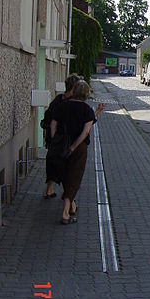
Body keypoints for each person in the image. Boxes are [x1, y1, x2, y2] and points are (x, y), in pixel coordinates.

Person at [50, 80, 102, 225]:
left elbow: (53, 124)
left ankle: (71, 206)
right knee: (75, 176)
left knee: (65, 174)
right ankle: (65, 213)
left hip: (61, 145)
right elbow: (86, 132)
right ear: (85, 93)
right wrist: (73, 146)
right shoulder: (86, 110)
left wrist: (56, 141)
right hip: (79, 148)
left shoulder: (62, 106)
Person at [42, 73, 81, 198]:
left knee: (53, 163)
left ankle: (50, 189)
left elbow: (48, 117)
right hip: (65, 140)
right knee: (68, 168)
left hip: (54, 139)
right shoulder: (72, 103)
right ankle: (69, 199)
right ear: (75, 88)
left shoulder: (59, 99)